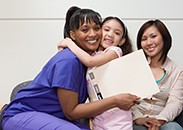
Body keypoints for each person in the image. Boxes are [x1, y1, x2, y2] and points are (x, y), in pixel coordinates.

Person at [1, 6, 139, 130]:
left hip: (47, 117)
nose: (92, 34)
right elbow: (71, 112)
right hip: (21, 115)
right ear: (72, 35)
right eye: (85, 30)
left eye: (96, 28)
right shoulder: (69, 60)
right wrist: (115, 101)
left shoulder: (90, 62)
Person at [58, 16, 136, 130]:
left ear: (122, 41)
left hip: (118, 117)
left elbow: (90, 62)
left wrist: (70, 43)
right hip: (99, 117)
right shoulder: (93, 53)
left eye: (117, 33)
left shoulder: (114, 51)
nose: (110, 34)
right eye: (106, 29)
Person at [131, 19, 183, 130]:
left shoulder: (179, 70)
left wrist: (159, 120)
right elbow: (126, 97)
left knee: (174, 128)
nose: (148, 42)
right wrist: (139, 118)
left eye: (153, 36)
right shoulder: (135, 65)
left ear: (164, 38)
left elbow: (175, 102)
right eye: (144, 39)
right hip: (137, 119)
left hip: (164, 119)